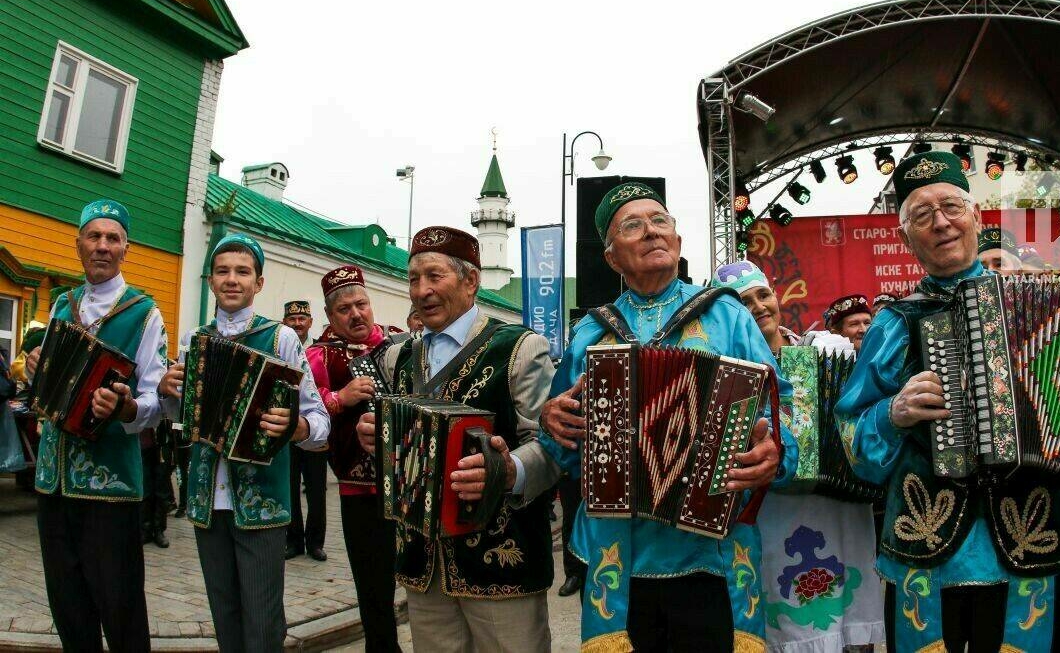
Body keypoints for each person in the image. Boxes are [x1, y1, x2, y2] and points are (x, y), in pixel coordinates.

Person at [833, 152, 1060, 651]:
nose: (941, 222)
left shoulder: (1041, 307)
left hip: (1029, 534)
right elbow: (849, 435)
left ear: (975, 216)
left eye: (950, 206)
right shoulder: (894, 321)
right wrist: (892, 412)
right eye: (922, 215)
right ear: (905, 237)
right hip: (926, 545)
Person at [513, 183, 797, 652]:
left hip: (713, 552)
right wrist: (550, 420)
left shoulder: (727, 314)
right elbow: (560, 441)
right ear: (611, 258)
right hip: (615, 555)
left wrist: (776, 451)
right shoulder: (590, 330)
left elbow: (781, 404)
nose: (650, 232)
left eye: (660, 221)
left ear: (679, 242)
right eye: (632, 226)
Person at [355, 226, 556, 652]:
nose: (421, 290)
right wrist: (378, 437)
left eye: (434, 276)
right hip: (423, 567)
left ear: (471, 281)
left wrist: (507, 470)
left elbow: (551, 447)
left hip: (502, 561)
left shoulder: (519, 348)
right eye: (413, 279)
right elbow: (402, 447)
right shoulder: (398, 356)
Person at [158, 234, 330, 652]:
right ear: (211, 281)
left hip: (262, 500)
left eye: (242, 271)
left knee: (263, 614)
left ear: (259, 283)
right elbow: (181, 418)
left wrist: (296, 427)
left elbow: (318, 419)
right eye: (222, 271)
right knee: (224, 611)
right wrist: (166, 391)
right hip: (205, 498)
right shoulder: (194, 341)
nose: (232, 279)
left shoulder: (280, 340)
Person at [24, 199, 169, 651]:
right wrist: (35, 368)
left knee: (121, 610)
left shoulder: (144, 312)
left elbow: (157, 398)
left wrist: (128, 409)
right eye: (94, 236)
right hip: (52, 483)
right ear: (79, 244)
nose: (102, 246)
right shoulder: (62, 307)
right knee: (68, 609)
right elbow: (48, 384)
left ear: (126, 248)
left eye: (113, 238)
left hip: (111, 488)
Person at [715, 261, 883, 653]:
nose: (757, 307)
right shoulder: (728, 370)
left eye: (762, 295)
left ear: (776, 296)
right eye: (742, 303)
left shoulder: (828, 348)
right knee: (787, 626)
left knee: (849, 630)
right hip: (772, 512)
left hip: (838, 508)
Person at [305, 267, 400, 651]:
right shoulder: (318, 356)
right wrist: (340, 399)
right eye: (345, 309)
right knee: (373, 584)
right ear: (330, 317)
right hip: (358, 490)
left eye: (362, 304)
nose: (356, 314)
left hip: (409, 481)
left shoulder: (400, 344)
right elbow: (306, 413)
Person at [282, 299, 328, 562]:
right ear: (285, 322)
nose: (298, 323)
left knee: (316, 489)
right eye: (292, 319)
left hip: (315, 429)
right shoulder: (281, 347)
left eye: (302, 319)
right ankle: (293, 540)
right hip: (288, 429)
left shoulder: (321, 352)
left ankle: (316, 543)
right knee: (290, 487)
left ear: (310, 322)